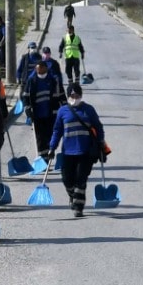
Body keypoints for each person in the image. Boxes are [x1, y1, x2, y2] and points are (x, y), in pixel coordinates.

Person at [47, 82, 105, 217]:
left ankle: (78, 207)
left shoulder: (89, 109)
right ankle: (73, 196)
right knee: (67, 179)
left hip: (85, 151)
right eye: (72, 95)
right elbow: (57, 130)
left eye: (77, 95)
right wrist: (52, 147)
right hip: (68, 152)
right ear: (68, 96)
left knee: (81, 179)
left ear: (81, 95)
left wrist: (101, 142)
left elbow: (98, 126)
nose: (75, 97)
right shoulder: (63, 111)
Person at [21, 59, 64, 158]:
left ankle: (48, 154)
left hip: (51, 113)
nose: (39, 72)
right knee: (40, 137)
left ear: (46, 69)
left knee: (50, 135)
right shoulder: (32, 81)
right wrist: (27, 108)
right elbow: (25, 96)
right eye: (37, 70)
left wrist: (66, 109)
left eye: (41, 70)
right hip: (37, 114)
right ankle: (42, 158)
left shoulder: (53, 80)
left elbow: (61, 96)